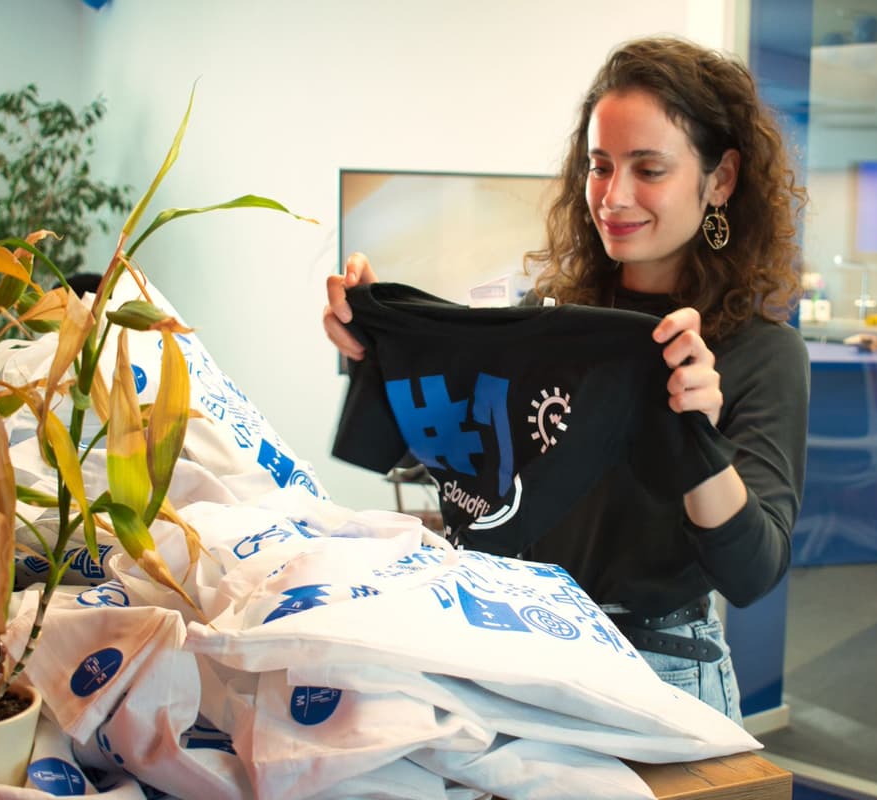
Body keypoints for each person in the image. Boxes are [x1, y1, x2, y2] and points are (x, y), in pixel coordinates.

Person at [323, 36, 809, 725]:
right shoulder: (550, 320)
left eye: (649, 169)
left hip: (658, 671)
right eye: (599, 166)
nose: (614, 196)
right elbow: (462, 461)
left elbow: (752, 572)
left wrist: (697, 439)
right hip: (520, 648)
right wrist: (382, 351)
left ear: (721, 178)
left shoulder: (760, 354)